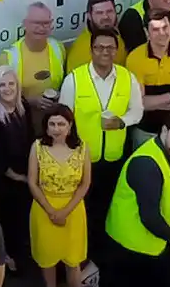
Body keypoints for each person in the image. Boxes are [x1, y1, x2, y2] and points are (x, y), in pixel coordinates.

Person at [101, 115, 170, 287]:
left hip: (154, 235)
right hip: (131, 240)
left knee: (168, 276)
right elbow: (149, 216)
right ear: (164, 130)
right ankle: (97, 277)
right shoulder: (146, 164)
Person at [57, 30, 145, 230]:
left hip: (115, 158)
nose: (105, 52)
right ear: (91, 50)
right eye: (99, 47)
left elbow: (137, 111)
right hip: (82, 159)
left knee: (110, 206)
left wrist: (121, 122)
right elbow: (63, 119)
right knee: (85, 210)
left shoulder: (127, 77)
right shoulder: (74, 79)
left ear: (116, 51)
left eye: (110, 48)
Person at [28, 103, 91, 287]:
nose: (56, 128)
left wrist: (65, 211)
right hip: (44, 209)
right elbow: (32, 182)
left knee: (73, 262)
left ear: (70, 126)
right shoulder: (37, 147)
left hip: (73, 210)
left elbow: (85, 183)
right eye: (52, 124)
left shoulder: (82, 148)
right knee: (48, 260)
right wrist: (50, 210)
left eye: (61, 124)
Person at [0, 68, 34, 268]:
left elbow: (31, 140)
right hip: (6, 181)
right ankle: (9, 261)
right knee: (10, 222)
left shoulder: (24, 108)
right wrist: (23, 179)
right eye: (2, 85)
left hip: (26, 174)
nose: (7, 89)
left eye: (11, 84)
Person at [1, 4, 68, 104]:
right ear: (24, 24)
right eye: (36, 23)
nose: (41, 28)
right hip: (22, 117)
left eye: (46, 23)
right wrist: (29, 101)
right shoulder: (8, 58)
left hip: (52, 117)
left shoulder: (58, 48)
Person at [67, 0, 124, 71]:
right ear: (89, 16)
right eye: (99, 13)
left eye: (109, 11)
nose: (105, 17)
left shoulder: (114, 34)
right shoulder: (81, 52)